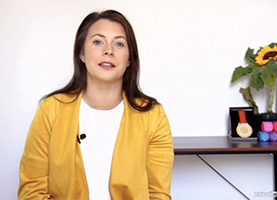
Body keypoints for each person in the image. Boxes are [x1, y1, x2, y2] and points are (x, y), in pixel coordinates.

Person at [18, 10, 174, 200]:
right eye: (98, 41)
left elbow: (158, 195)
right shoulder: (51, 109)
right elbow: (31, 191)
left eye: (119, 43)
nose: (108, 50)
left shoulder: (153, 116)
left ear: (129, 60)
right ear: (81, 53)